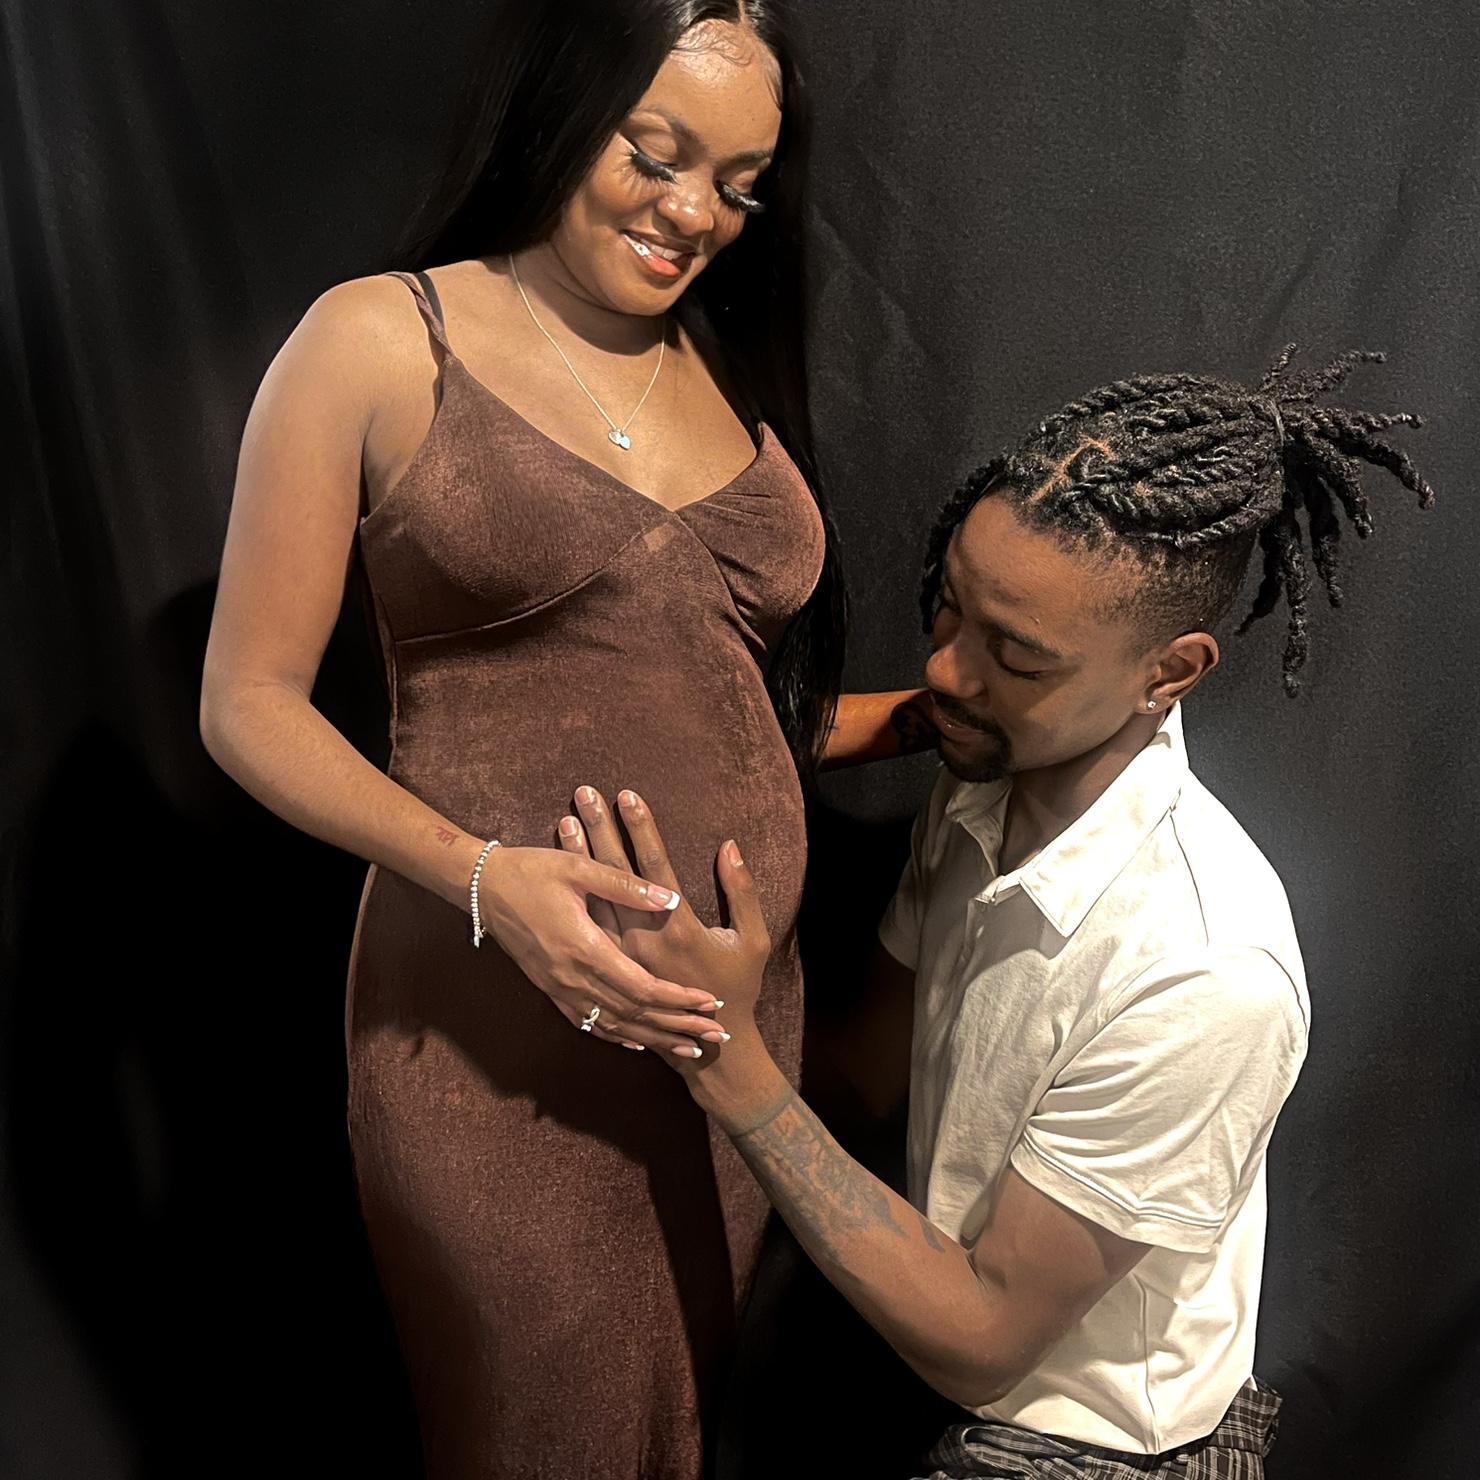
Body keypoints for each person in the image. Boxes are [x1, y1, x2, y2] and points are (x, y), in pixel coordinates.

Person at [198, 3, 933, 1476]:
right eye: (654, 155)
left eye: (737, 184)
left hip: (725, 1033)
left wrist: (945, 720)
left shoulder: (725, 361)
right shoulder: (378, 338)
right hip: (495, 1026)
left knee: (675, 1433)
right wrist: (489, 880)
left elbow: (730, 708)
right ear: (560, 107)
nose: (693, 214)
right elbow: (247, 705)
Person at [555, 348, 1435, 1477]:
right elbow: (864, 1075)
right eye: (950, 607)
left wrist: (717, 1047)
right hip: (927, 1379)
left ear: (1169, 673)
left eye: (1014, 655)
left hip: (1087, 1455)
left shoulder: (1205, 969)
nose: (946, 670)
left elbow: (981, 1336)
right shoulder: (985, 785)